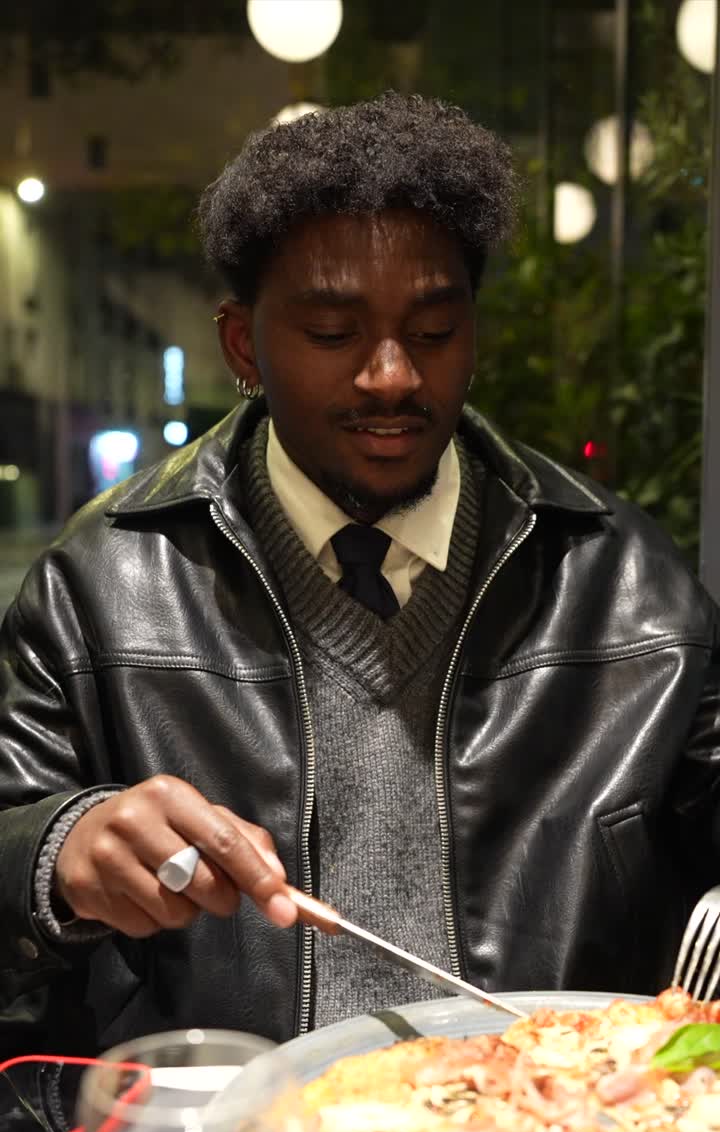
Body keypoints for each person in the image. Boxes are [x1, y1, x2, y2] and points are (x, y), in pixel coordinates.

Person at [0, 92, 718, 1058]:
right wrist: (60, 852)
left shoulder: (626, 585)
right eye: (334, 335)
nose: (391, 376)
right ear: (244, 346)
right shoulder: (102, 587)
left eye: (431, 332)